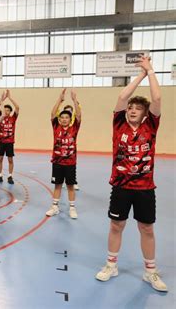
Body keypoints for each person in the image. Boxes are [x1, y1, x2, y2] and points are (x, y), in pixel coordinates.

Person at [95, 56, 167, 292]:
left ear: (146, 114)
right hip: (121, 186)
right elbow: (122, 97)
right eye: (131, 108)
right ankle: (111, 265)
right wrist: (140, 76)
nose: (133, 110)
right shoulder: (119, 125)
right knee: (117, 225)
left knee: (146, 228)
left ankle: (150, 272)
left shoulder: (151, 127)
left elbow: (157, 98)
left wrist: (151, 71)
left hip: (145, 188)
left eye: (138, 108)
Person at [45, 88, 81, 219]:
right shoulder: (56, 127)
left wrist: (74, 100)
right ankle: (55, 207)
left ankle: (72, 208)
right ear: (59, 120)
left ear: (70, 119)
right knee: (57, 185)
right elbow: (52, 113)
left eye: (67, 117)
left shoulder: (74, 128)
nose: (64, 119)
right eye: (62, 117)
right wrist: (59, 100)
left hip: (70, 163)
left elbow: (78, 115)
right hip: (57, 162)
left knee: (70, 186)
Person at [0, 89, 20, 185]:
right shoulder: (1, 117)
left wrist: (10, 98)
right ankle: (0, 175)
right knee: (0, 159)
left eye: (8, 110)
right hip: (1, 142)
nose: (6, 112)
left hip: (9, 142)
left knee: (10, 159)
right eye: (4, 110)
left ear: (10, 112)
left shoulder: (13, 118)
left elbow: (17, 107)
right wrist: (2, 99)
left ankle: (10, 176)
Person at [60, 104, 80, 191]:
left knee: (72, 164)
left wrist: (76, 102)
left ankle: (73, 181)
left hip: (71, 147)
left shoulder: (73, 123)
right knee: (62, 164)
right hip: (62, 148)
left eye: (71, 111)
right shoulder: (62, 122)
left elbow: (79, 116)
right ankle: (62, 180)